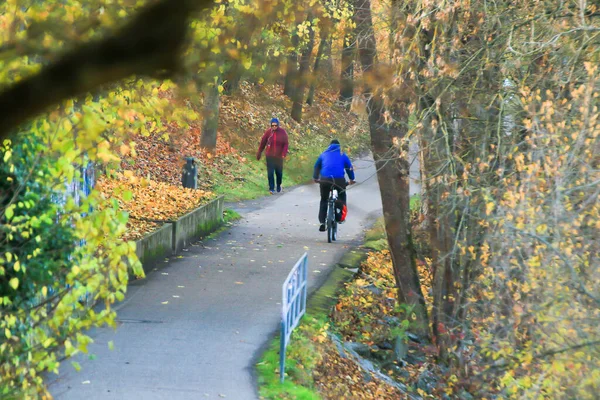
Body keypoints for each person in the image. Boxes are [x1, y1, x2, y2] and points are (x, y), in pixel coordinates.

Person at [313, 139, 356, 231]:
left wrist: (316, 177)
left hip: (325, 180)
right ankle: (340, 217)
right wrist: (352, 178)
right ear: (339, 146)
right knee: (342, 197)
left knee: (324, 199)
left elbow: (316, 166)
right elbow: (349, 168)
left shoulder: (323, 154)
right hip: (339, 181)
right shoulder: (342, 155)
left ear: (329, 146)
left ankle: (322, 222)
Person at [256, 117, 289, 194]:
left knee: (279, 173)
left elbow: (286, 144)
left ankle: (278, 185)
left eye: (275, 125)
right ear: (271, 125)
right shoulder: (268, 132)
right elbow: (263, 142)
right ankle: (271, 188)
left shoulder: (282, 132)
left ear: (278, 125)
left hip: (279, 156)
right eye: (272, 125)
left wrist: (284, 153)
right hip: (270, 156)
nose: (274, 127)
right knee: (270, 172)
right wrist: (259, 152)